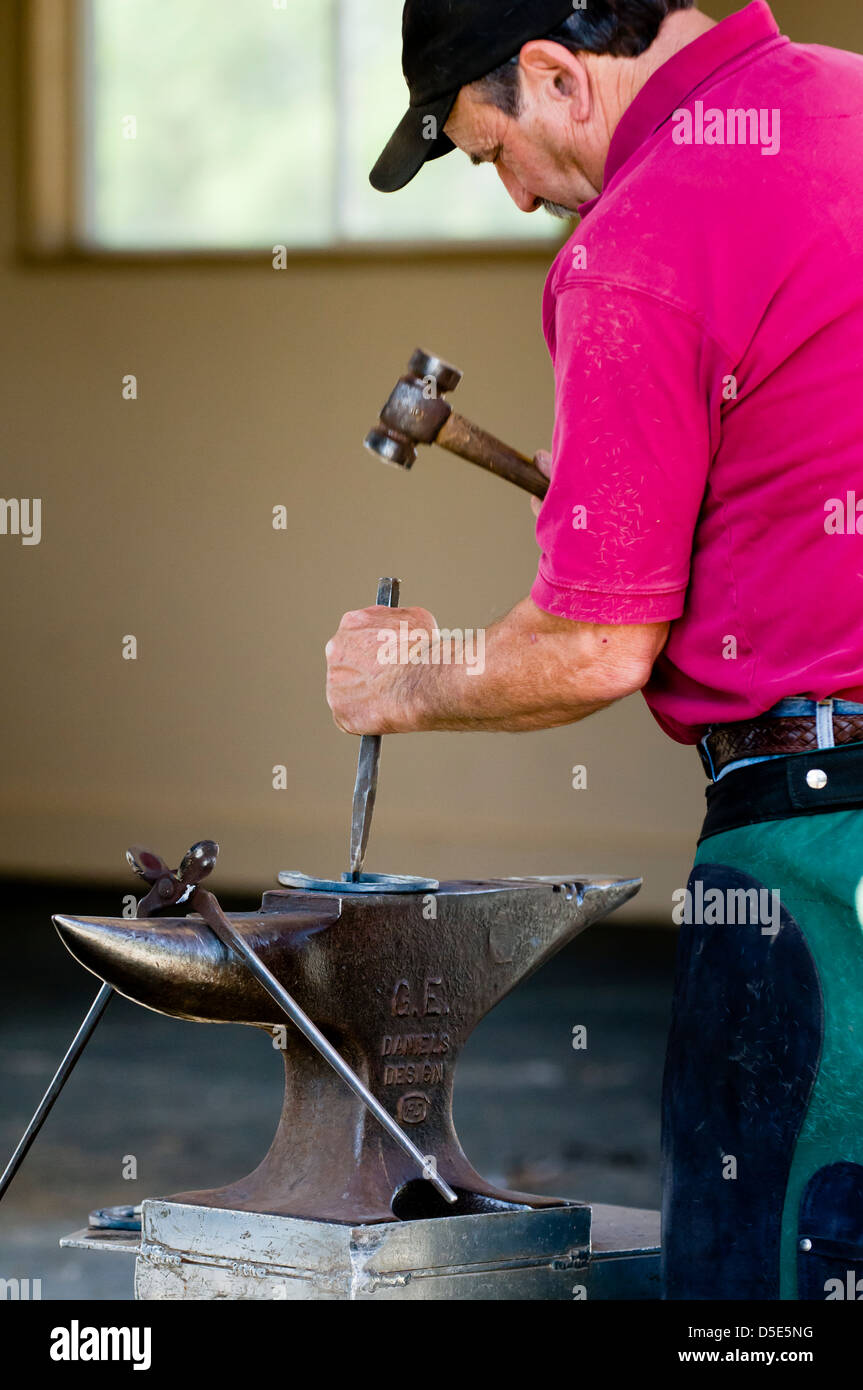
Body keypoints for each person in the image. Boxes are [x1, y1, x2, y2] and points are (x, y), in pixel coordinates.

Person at [325, 0, 863, 1300]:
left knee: (765, 1287)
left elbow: (590, 647)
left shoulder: (643, 240)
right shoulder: (847, 102)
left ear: (561, 75)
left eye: (490, 149)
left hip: (818, 844)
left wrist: (400, 672)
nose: (516, 198)